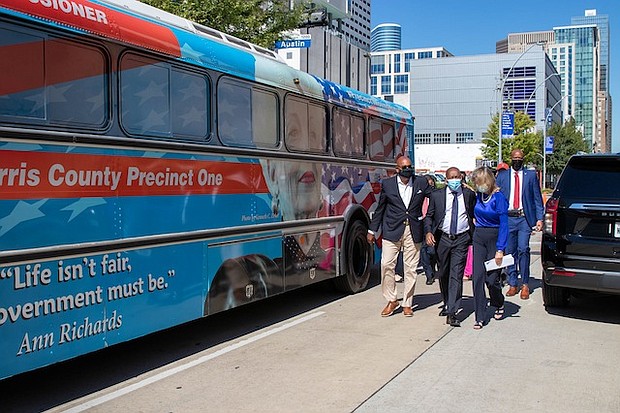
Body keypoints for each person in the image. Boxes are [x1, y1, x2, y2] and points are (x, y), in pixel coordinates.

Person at [367, 156, 431, 317]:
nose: (408, 169)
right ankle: (391, 299)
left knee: (410, 269)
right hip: (392, 229)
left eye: (410, 166)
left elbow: (435, 197)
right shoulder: (388, 184)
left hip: (414, 229)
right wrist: (372, 230)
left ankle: (407, 304)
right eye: (404, 167)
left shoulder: (421, 182)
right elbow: (380, 208)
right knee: (386, 264)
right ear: (397, 169)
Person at [424, 167, 476, 327]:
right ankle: (447, 302)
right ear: (446, 180)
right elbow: (429, 216)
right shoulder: (437, 196)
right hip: (443, 239)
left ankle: (453, 311)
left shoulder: (468, 195)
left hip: (461, 238)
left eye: (457, 177)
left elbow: (473, 212)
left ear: (461, 178)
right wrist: (428, 232)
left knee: (456, 274)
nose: (454, 180)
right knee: (444, 272)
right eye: (451, 177)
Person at [496, 148, 544, 300]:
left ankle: (525, 283)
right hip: (508, 219)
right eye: (514, 157)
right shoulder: (502, 176)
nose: (517, 160)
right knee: (510, 252)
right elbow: (496, 196)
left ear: (523, 159)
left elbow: (537, 198)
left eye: (520, 157)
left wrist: (539, 218)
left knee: (523, 249)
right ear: (510, 159)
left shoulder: (530, 176)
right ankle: (512, 283)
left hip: (524, 218)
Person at [470, 166, 509, 330]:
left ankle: (498, 301)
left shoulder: (498, 198)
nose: (479, 186)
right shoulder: (478, 196)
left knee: (491, 280)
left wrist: (500, 249)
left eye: (480, 183)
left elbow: (504, 224)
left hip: (494, 236)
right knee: (477, 278)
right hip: (479, 236)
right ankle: (480, 316)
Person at [420, 174, 438, 285]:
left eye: (430, 182)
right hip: (421, 223)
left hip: (432, 224)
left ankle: (432, 265)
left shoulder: (435, 195)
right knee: (423, 250)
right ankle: (429, 274)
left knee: (432, 250)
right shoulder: (419, 195)